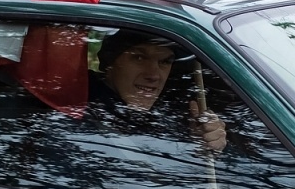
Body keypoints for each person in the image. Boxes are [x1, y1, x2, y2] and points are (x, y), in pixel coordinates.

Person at [90, 30, 226, 153]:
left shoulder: (174, 111)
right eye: (139, 58)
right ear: (110, 62)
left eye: (165, 62)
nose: (154, 75)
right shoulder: (80, 108)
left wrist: (200, 144)